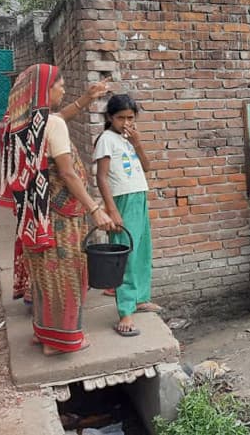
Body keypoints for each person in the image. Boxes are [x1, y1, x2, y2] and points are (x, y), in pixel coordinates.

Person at [0, 65, 114, 355]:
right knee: (67, 275)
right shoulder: (53, 126)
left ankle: (43, 333)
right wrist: (95, 209)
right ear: (43, 90)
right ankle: (59, 342)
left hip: (33, 217)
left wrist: (87, 98)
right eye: (59, 85)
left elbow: (56, 119)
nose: (63, 89)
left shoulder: (16, 123)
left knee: (43, 276)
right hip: (60, 217)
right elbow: (68, 173)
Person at [94, 94, 161, 338]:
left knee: (142, 252)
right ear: (110, 117)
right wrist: (111, 210)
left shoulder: (128, 140)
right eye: (120, 118)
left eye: (130, 118)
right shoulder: (106, 139)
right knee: (125, 256)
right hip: (122, 200)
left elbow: (148, 167)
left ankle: (140, 298)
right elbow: (101, 177)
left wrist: (138, 143)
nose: (125, 122)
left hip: (139, 196)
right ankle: (125, 311)